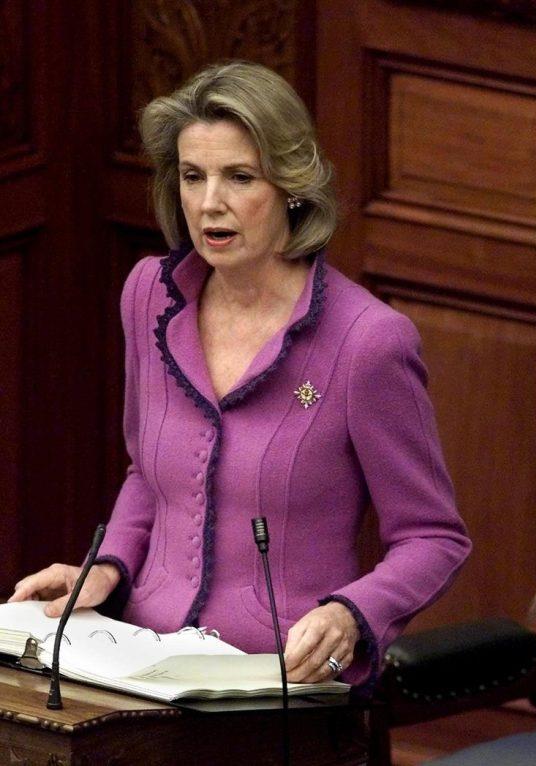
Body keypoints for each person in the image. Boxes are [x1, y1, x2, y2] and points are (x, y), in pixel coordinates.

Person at [8, 61, 471, 687]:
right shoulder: (151, 295)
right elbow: (149, 474)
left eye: (240, 177)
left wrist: (349, 615)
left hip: (280, 685)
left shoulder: (368, 342)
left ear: (293, 186)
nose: (209, 204)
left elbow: (433, 536)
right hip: (138, 664)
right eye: (193, 177)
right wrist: (108, 568)